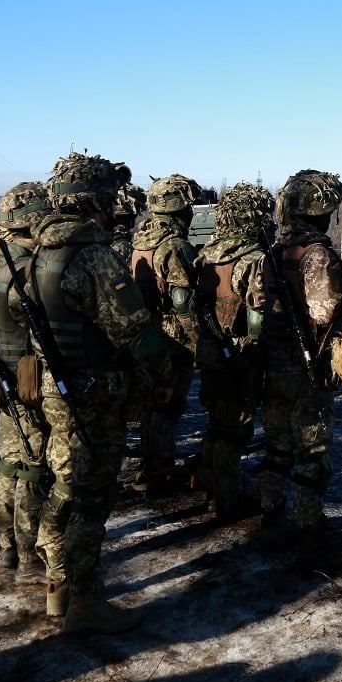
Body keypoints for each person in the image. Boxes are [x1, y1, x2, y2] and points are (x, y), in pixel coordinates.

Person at [23, 152, 172, 633]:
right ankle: (83, 601)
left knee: (64, 481)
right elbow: (134, 332)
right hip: (94, 392)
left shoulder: (37, 251)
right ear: (99, 200)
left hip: (55, 385)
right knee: (91, 495)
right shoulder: (93, 255)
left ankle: (55, 579)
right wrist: (165, 367)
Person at [258, 170, 342, 554]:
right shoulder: (317, 255)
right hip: (306, 367)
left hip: (272, 364)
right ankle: (309, 528)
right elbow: (324, 311)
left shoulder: (273, 252)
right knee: (311, 453)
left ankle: (269, 511)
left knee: (277, 446)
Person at [0, 181, 51, 583]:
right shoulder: (27, 269)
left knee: (7, 463)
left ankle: (5, 542)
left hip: (3, 374)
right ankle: (29, 553)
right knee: (32, 467)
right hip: (28, 378)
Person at [194, 182, 272, 522]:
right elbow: (258, 314)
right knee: (236, 428)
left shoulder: (207, 253)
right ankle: (226, 498)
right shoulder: (253, 259)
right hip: (238, 354)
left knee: (216, 423)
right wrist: (255, 350)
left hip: (211, 351)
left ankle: (209, 484)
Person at [128, 174, 201, 494]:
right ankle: (158, 471)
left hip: (144, 336)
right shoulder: (174, 246)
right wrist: (199, 343)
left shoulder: (140, 242)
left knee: (153, 405)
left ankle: (153, 464)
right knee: (167, 405)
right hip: (171, 338)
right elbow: (183, 301)